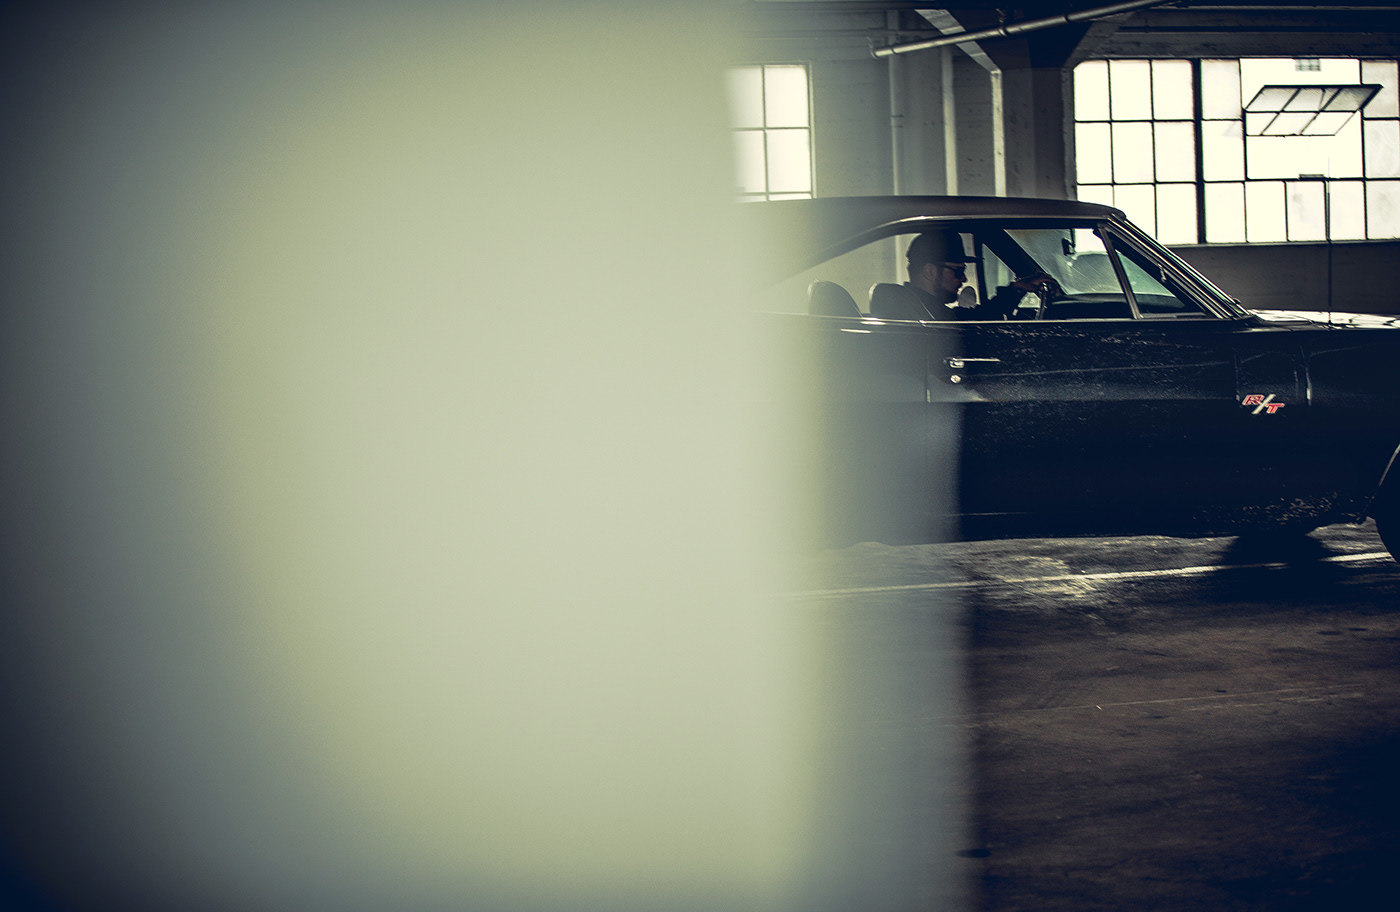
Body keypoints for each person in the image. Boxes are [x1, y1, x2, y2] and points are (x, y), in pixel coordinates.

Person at [869, 229, 1056, 321]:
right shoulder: (922, 317)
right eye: (958, 271)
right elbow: (974, 321)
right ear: (930, 271)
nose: (964, 279)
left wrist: (1016, 289)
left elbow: (974, 318)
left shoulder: (926, 312)